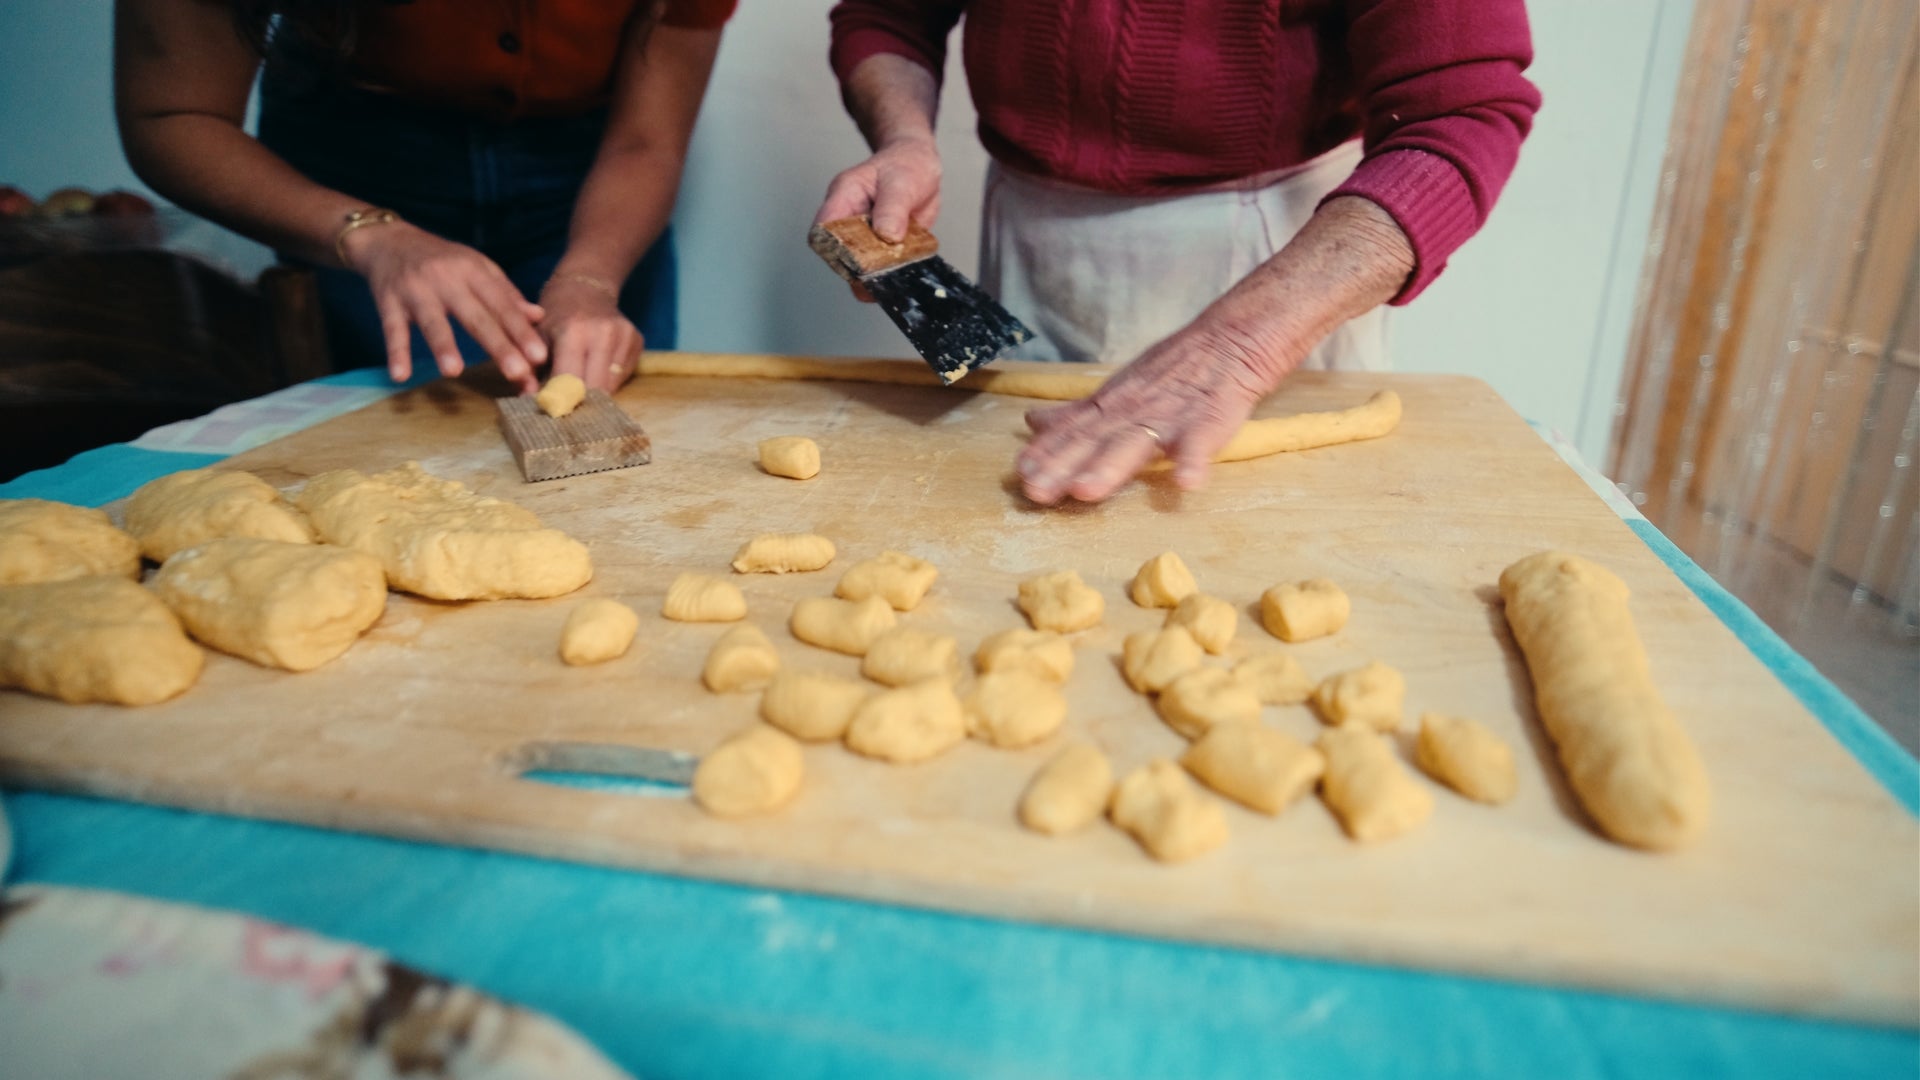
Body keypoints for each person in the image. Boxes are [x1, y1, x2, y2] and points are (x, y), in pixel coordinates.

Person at [817, 2, 1541, 504]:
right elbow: (890, 13)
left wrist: (1242, 346)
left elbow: (1461, 115)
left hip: (1281, 267)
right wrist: (903, 136)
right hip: (1032, 241)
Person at [115, 0, 733, 395]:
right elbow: (174, 113)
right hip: (348, 163)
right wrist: (368, 234)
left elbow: (645, 141)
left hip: (596, 180)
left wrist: (590, 279)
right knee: (371, 458)